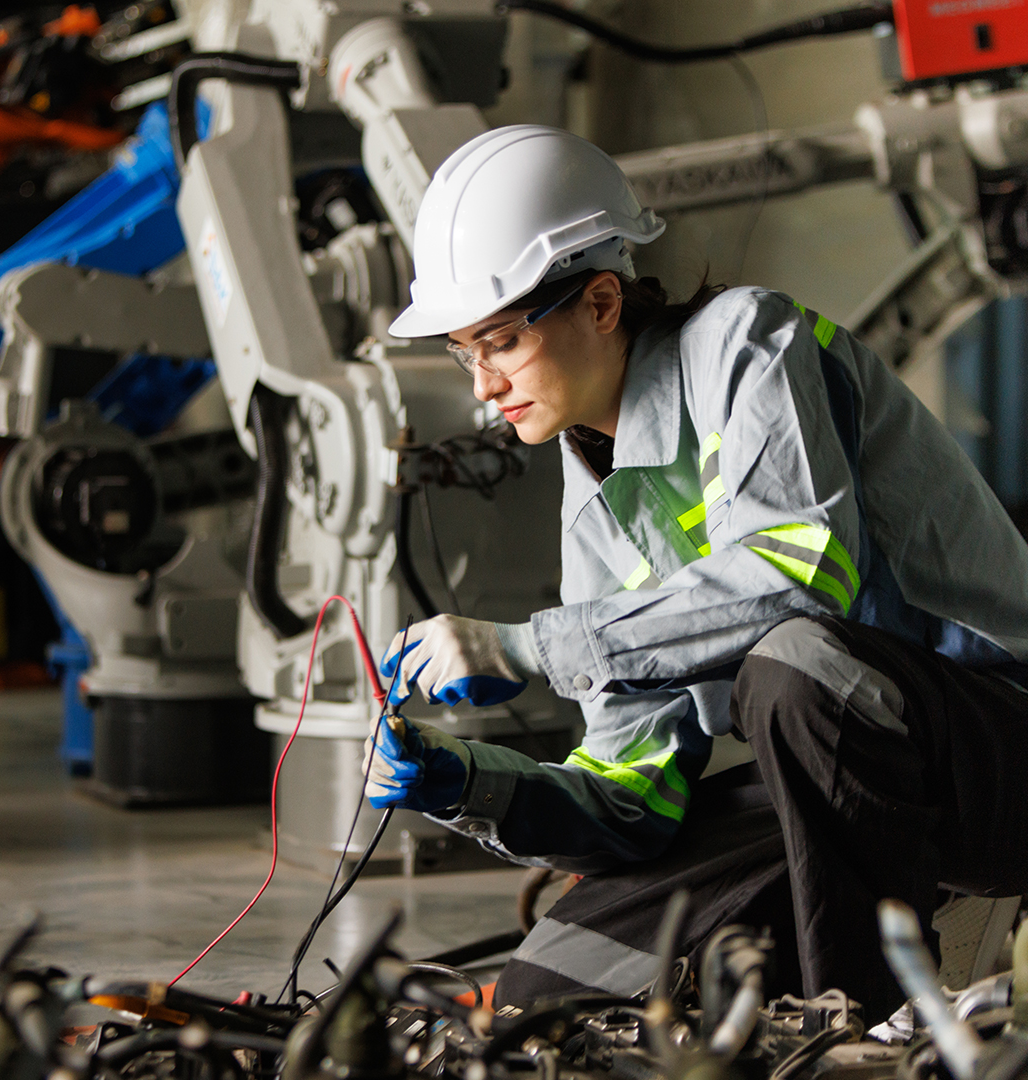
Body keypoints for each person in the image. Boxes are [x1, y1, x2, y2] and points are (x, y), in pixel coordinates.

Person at [361, 124, 1028, 1019]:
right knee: (547, 996)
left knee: (796, 665)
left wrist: (520, 646)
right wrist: (468, 780)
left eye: (499, 343)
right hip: (850, 780)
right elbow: (630, 797)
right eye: (463, 352)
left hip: (997, 747)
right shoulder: (592, 498)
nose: (481, 385)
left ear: (601, 302)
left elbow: (799, 575)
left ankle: (858, 1034)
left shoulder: (747, 341)